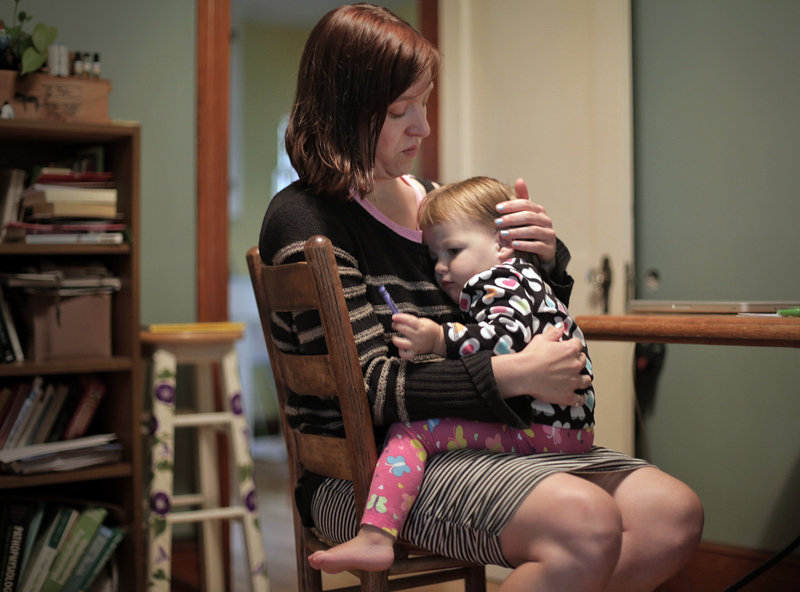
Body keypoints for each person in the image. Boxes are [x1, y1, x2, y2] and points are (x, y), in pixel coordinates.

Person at [258, 5, 703, 591]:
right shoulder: (304, 219)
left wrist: (544, 261)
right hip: (365, 474)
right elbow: (368, 390)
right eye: (399, 111)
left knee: (672, 515)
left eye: (425, 103)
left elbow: (508, 318)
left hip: (479, 440)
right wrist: (512, 376)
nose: (423, 127)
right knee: (583, 523)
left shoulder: (440, 204)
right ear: (343, 111)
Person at [308, 176, 598, 574]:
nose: (441, 269)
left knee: (410, 433)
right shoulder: (521, 279)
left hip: (539, 428)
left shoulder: (498, 281)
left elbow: (504, 340)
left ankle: (376, 536)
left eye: (453, 252)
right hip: (569, 430)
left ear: (502, 244)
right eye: (434, 258)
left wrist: (439, 338)